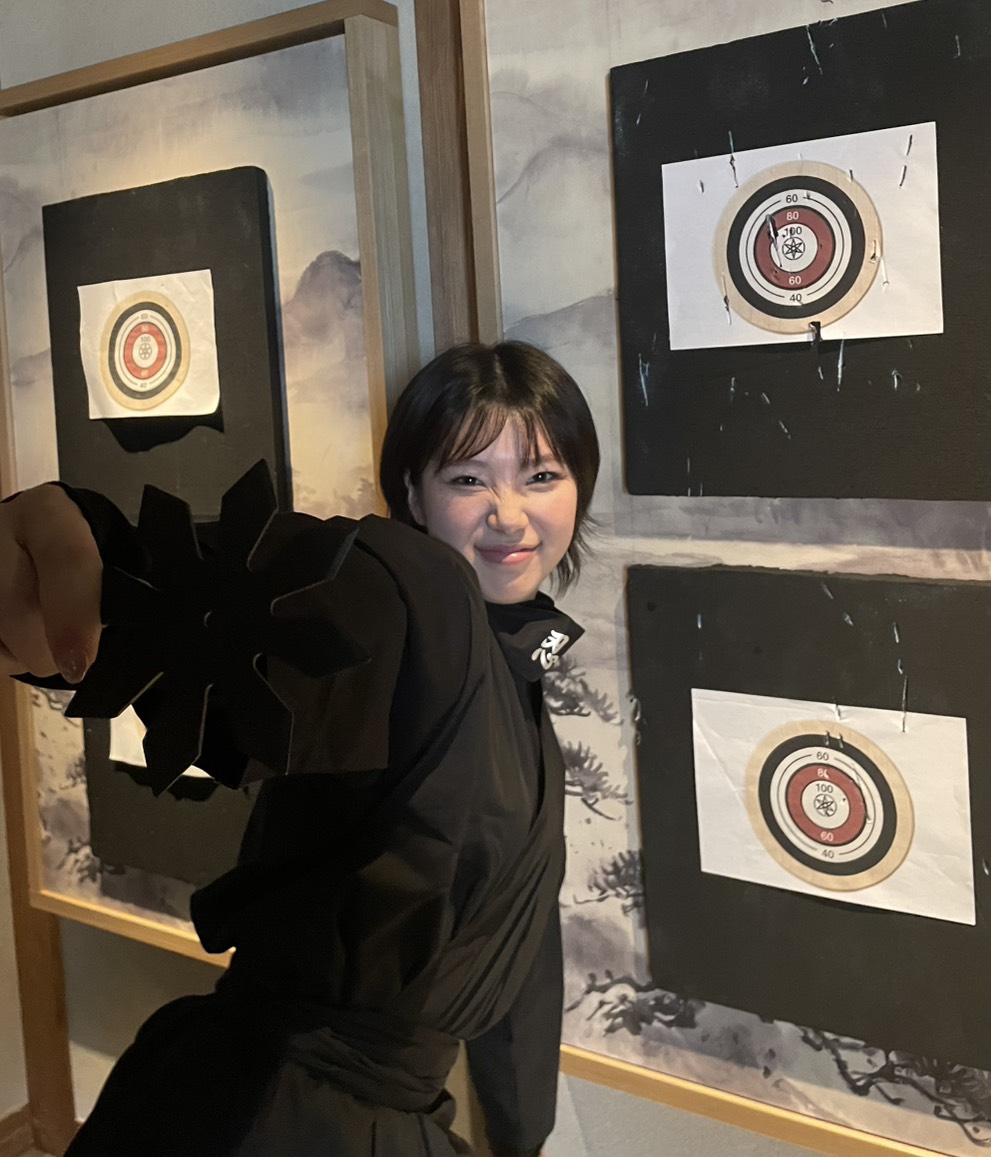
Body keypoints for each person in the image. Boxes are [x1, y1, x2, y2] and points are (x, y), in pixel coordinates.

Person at [0, 340, 600, 1157]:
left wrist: (522, 1136)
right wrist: (87, 561)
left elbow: (521, 960)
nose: (509, 512)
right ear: (413, 494)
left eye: (541, 475)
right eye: (467, 478)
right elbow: (265, 607)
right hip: (268, 1116)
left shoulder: (522, 686)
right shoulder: (419, 599)